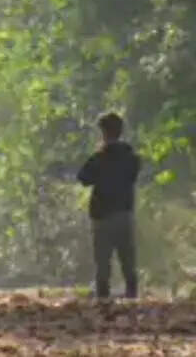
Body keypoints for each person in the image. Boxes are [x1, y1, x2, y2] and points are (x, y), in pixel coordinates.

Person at [78, 112, 140, 299]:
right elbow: (132, 176)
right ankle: (132, 297)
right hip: (123, 213)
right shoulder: (131, 157)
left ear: (104, 132)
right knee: (127, 260)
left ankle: (103, 300)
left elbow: (83, 178)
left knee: (103, 263)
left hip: (102, 215)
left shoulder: (99, 157)